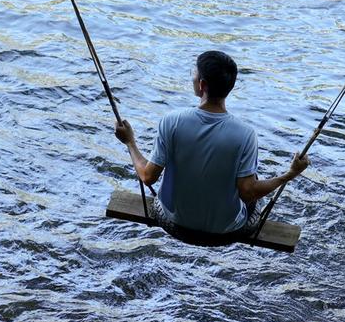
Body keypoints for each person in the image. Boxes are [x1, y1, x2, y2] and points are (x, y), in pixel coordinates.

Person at [114, 50, 309, 243]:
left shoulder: (171, 121)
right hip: (227, 233)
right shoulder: (245, 134)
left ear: (202, 85)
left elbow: (148, 177)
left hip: (174, 223)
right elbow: (248, 193)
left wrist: (130, 142)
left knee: (172, 165)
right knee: (253, 183)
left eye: (194, 74)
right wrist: (289, 174)